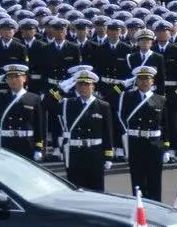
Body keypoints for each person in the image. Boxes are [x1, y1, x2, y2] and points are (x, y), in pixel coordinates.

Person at [59, 67, 114, 191]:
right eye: (80, 84)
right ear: (76, 86)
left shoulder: (103, 105)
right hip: (75, 153)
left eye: (87, 84)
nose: (83, 87)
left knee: (96, 190)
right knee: (76, 189)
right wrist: (62, 87)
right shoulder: (68, 104)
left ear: (93, 87)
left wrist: (108, 156)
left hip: (95, 153)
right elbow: (48, 101)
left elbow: (108, 132)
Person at [119, 64, 168, 201]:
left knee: (155, 180)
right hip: (136, 141)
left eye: (147, 79)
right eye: (141, 79)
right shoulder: (128, 97)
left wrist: (166, 148)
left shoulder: (160, 99)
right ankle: (139, 211)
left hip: (155, 143)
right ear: (137, 80)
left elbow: (165, 126)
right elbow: (121, 117)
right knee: (137, 180)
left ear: (152, 81)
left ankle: (155, 211)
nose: (144, 82)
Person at [0, 64, 45, 160]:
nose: (13, 80)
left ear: (24, 78)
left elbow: (39, 125)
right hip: (7, 142)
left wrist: (39, 147)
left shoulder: (34, 98)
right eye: (9, 77)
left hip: (26, 143)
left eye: (16, 77)